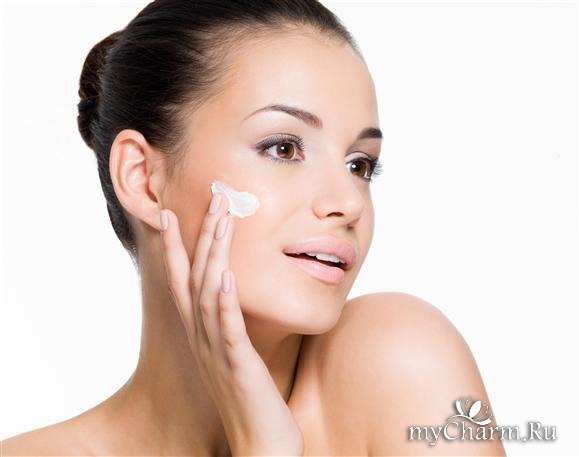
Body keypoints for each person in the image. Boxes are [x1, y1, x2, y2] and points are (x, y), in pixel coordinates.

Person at [2, 0, 506, 455]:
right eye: (283, 148)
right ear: (143, 179)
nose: (349, 202)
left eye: (360, 164)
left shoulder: (399, 360)